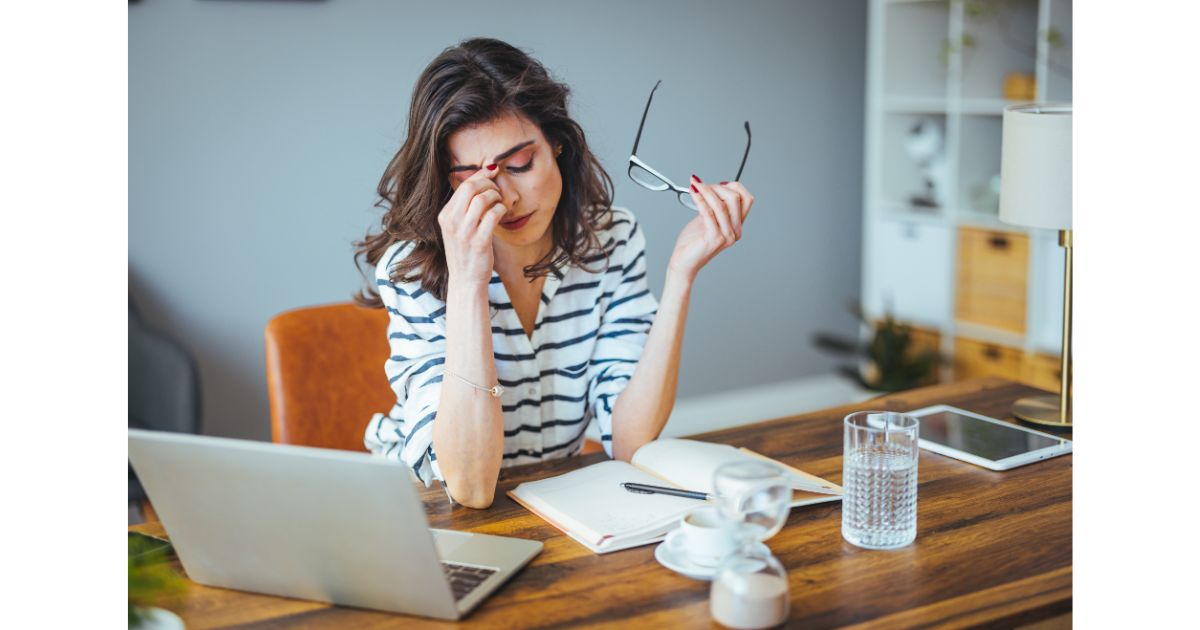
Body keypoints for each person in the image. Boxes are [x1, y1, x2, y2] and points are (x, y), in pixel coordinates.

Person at [356, 38, 754, 509]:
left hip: (550, 504)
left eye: (520, 164)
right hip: (424, 510)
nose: (507, 198)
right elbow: (470, 487)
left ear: (558, 143)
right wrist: (467, 283)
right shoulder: (412, 271)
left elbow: (630, 444)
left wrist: (681, 276)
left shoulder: (611, 240)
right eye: (472, 179)